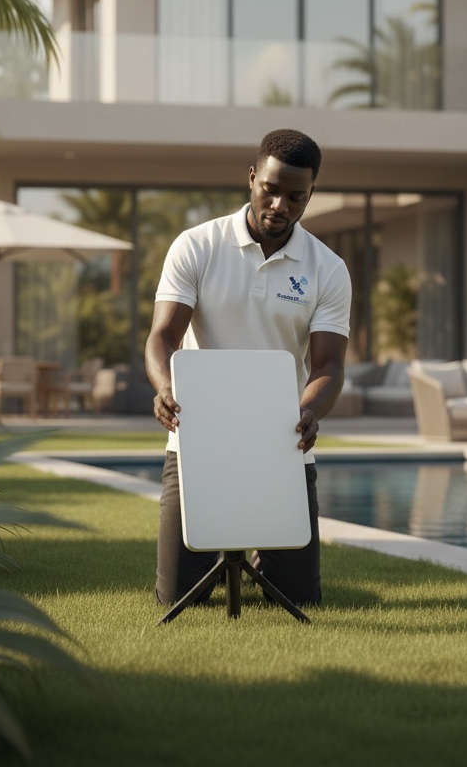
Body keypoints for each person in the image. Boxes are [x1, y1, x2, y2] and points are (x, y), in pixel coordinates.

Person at [146, 128, 352, 607]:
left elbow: (328, 366)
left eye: (296, 197)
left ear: (310, 194)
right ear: (252, 177)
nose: (280, 205)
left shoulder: (327, 268)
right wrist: (165, 388)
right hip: (196, 439)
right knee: (178, 597)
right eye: (271, 190)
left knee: (296, 599)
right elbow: (163, 337)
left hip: (283, 443)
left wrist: (309, 411)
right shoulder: (197, 246)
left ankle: (260, 560)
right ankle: (214, 559)